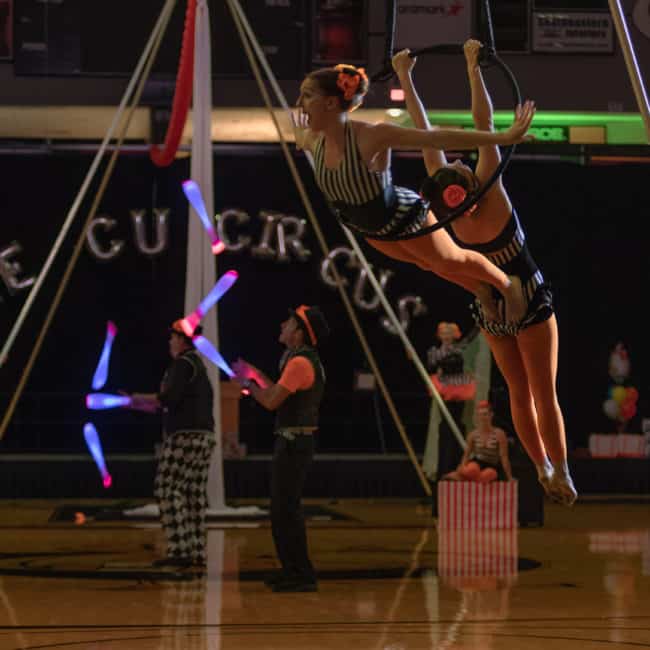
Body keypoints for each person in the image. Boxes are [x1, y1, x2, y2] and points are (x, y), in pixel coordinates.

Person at [393, 42, 577, 505]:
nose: (454, 158)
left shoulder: (448, 211)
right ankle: (564, 471)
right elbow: (483, 124)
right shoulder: (490, 191)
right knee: (542, 391)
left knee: (518, 391)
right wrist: (474, 67)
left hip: (489, 304)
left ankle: (542, 467)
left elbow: (423, 131)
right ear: (468, 181)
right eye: (458, 162)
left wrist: (405, 77)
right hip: (526, 292)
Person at [293, 64, 538, 324]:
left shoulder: (370, 136)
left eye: (308, 95)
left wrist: (503, 137)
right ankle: (480, 289)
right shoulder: (313, 140)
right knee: (428, 264)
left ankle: (507, 285)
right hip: (368, 228)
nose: (300, 103)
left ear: (331, 103)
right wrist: (299, 132)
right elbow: (300, 138)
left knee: (452, 259)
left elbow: (436, 139)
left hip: (401, 216)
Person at [231, 305, 329, 593]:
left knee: (285, 509)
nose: (282, 324)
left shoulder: (299, 363)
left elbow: (272, 400)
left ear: (299, 333)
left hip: (294, 442)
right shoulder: (299, 359)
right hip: (293, 440)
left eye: (288, 322)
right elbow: (278, 390)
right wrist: (255, 375)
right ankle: (293, 570)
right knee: (283, 509)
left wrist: (248, 383)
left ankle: (301, 573)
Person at [126, 320, 216, 568]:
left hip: (184, 437)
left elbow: (166, 398)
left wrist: (135, 399)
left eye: (173, 337)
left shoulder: (182, 364)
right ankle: (197, 551)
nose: (169, 341)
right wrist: (135, 403)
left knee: (167, 488)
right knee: (193, 494)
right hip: (204, 437)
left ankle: (180, 551)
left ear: (182, 340)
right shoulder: (198, 366)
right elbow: (171, 403)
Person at [427, 321, 477, 480]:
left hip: (459, 383)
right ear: (439, 335)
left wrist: (478, 326)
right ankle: (446, 463)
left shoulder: (459, 348)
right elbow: (431, 365)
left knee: (458, 419)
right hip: (445, 384)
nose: (447, 336)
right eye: (444, 333)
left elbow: (470, 340)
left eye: (450, 333)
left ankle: (458, 456)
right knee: (446, 422)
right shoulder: (435, 352)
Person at [443, 400, 514, 483]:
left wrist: (509, 477)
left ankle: (460, 477)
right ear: (477, 417)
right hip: (477, 463)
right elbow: (466, 455)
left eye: (485, 414)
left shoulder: (499, 434)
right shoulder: (473, 435)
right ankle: (460, 475)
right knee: (471, 470)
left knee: (487, 475)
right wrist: (462, 467)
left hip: (492, 465)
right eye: (480, 415)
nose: (483, 418)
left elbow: (504, 457)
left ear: (491, 415)